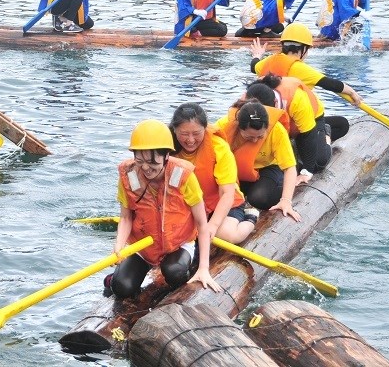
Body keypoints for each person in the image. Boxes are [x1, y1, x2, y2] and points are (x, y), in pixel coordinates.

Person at [108, 120, 220, 298]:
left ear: (166, 156)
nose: (145, 168)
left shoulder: (183, 176)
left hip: (177, 243)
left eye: (152, 162)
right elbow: (126, 218)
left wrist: (204, 268)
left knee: (175, 273)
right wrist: (120, 245)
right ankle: (114, 279)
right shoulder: (128, 176)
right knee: (122, 287)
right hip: (144, 245)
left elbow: (201, 223)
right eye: (140, 160)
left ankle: (184, 270)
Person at [250, 22, 364, 144]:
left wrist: (257, 55)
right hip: (295, 123)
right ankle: (323, 135)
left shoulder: (267, 62)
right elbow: (331, 84)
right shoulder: (298, 68)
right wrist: (352, 93)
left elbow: (253, 66)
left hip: (270, 122)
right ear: (303, 50)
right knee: (342, 125)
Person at [169, 104, 257, 245]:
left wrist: (213, 225)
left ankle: (251, 217)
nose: (190, 140)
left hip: (221, 202)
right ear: (174, 130)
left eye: (196, 133)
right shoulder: (166, 147)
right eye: (184, 134)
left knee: (227, 235)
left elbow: (226, 193)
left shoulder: (218, 147)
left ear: (205, 128)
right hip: (192, 204)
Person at [214, 101, 300, 219]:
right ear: (238, 127)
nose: (255, 141)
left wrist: (286, 200)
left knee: (259, 199)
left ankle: (279, 187)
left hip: (266, 169)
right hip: (234, 171)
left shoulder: (276, 130)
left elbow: (290, 167)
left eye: (260, 136)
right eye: (249, 137)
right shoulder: (223, 126)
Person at [247, 77, 330, 179]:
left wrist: (307, 172)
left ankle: (325, 133)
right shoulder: (249, 98)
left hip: (311, 120)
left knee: (317, 163)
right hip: (287, 124)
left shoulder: (296, 98)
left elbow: (309, 133)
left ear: (276, 102)